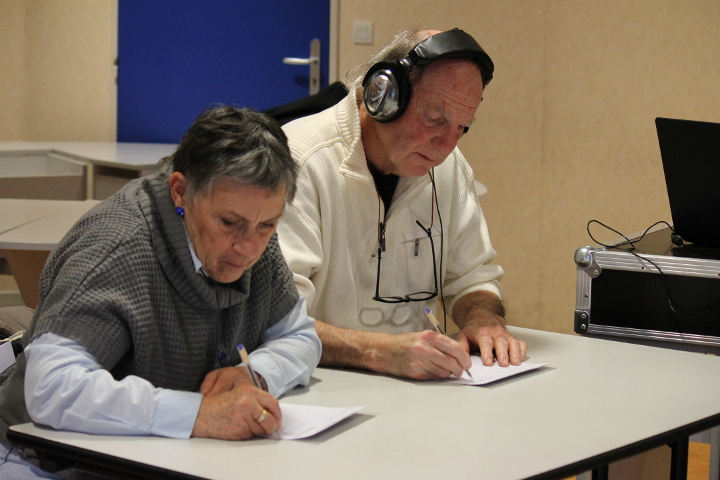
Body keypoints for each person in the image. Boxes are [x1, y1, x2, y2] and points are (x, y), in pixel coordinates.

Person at [0, 106, 322, 478]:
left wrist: (257, 374)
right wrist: (198, 414)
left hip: (162, 458)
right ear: (181, 192)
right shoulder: (117, 247)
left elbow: (299, 335)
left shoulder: (251, 232)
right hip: (38, 458)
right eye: (229, 223)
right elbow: (51, 389)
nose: (249, 248)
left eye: (267, 225)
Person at [276, 28, 527, 381]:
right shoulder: (298, 160)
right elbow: (278, 318)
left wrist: (482, 319)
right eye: (434, 119)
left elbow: (473, 278)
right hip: (322, 388)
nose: (445, 145)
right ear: (383, 94)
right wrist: (380, 352)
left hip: (416, 389)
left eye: (462, 127)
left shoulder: (449, 168)